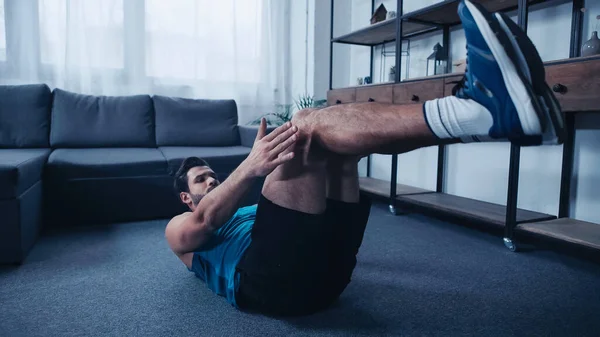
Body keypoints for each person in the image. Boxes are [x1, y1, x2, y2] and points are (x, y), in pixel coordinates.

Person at [165, 0, 565, 317]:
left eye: (212, 174)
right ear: (186, 196)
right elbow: (204, 222)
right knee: (304, 124)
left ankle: (487, 121)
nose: (212, 180)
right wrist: (250, 166)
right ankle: (479, 114)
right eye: (202, 180)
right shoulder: (179, 230)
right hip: (267, 286)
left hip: (329, 277)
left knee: (341, 149)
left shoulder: (250, 212)